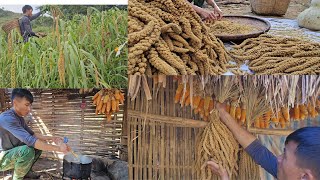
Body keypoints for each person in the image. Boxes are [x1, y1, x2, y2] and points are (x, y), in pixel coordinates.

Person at [207, 103, 320, 180]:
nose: (278, 159)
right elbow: (257, 150)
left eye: (285, 156)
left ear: (305, 177)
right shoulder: (289, 173)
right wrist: (224, 114)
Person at [0, 89, 71, 180]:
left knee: (37, 147)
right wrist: (58, 149)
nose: (29, 109)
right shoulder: (7, 118)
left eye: (30, 105)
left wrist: (53, 138)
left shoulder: (19, 117)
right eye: (27, 105)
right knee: (27, 150)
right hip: (2, 157)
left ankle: (27, 172)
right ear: (15, 103)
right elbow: (30, 140)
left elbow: (32, 135)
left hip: (10, 153)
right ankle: (17, 178)